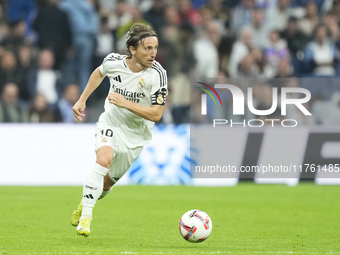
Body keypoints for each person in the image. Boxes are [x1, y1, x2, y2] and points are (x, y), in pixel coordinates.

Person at [70, 23, 168, 237]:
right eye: (148, 48)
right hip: (111, 123)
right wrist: (82, 99)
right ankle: (86, 218)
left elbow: (156, 114)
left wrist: (126, 103)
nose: (153, 53)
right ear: (133, 50)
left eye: (155, 48)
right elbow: (99, 72)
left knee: (106, 184)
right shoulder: (114, 61)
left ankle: (83, 204)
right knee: (103, 160)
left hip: (136, 135)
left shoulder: (158, 75)